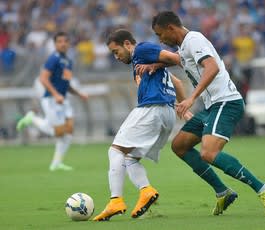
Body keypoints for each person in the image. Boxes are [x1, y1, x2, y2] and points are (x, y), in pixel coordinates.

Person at [147, 11, 265, 217]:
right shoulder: (184, 46)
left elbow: (212, 67)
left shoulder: (194, 40)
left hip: (226, 102)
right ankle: (222, 191)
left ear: (171, 28)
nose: (160, 40)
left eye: (160, 34)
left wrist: (191, 98)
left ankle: (263, 189)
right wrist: (159, 64)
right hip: (212, 106)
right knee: (179, 146)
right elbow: (183, 61)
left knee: (208, 153)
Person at [93, 29, 190, 221]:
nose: (116, 57)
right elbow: (177, 82)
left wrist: (157, 62)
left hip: (152, 109)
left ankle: (115, 201)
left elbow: (178, 58)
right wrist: (184, 109)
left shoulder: (142, 50)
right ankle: (146, 191)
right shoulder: (140, 63)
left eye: (116, 51)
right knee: (130, 159)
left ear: (128, 44)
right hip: (167, 113)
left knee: (115, 151)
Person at [16, 31, 88, 171]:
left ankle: (56, 163)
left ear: (68, 43)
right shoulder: (53, 59)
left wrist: (79, 94)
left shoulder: (68, 61)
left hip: (63, 100)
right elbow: (43, 78)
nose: (63, 44)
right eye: (59, 41)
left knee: (68, 132)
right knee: (59, 133)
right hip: (51, 99)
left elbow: (66, 84)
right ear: (55, 44)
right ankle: (32, 119)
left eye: (65, 41)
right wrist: (55, 94)